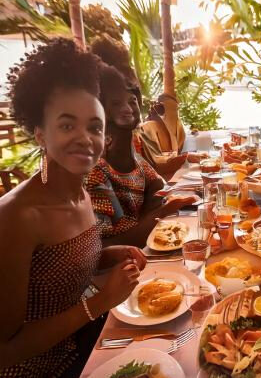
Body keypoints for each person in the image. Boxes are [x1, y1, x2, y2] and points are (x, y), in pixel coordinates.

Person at [0, 39, 145, 377]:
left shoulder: (78, 193)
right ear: (40, 133)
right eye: (67, 125)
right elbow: (3, 351)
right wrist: (97, 304)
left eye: (94, 127)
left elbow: (56, 272)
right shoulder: (16, 217)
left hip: (89, 347)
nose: (84, 138)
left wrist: (107, 255)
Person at [85, 63, 195, 247]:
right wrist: (164, 210)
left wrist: (160, 206)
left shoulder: (135, 157)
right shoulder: (97, 171)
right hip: (121, 268)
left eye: (132, 101)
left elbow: (158, 190)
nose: (128, 108)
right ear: (101, 111)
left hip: (151, 249)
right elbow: (108, 245)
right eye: (116, 103)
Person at [89, 36, 202, 177]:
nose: (129, 109)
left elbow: (149, 173)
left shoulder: (129, 136)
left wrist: (186, 158)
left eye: (132, 101)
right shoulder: (97, 150)